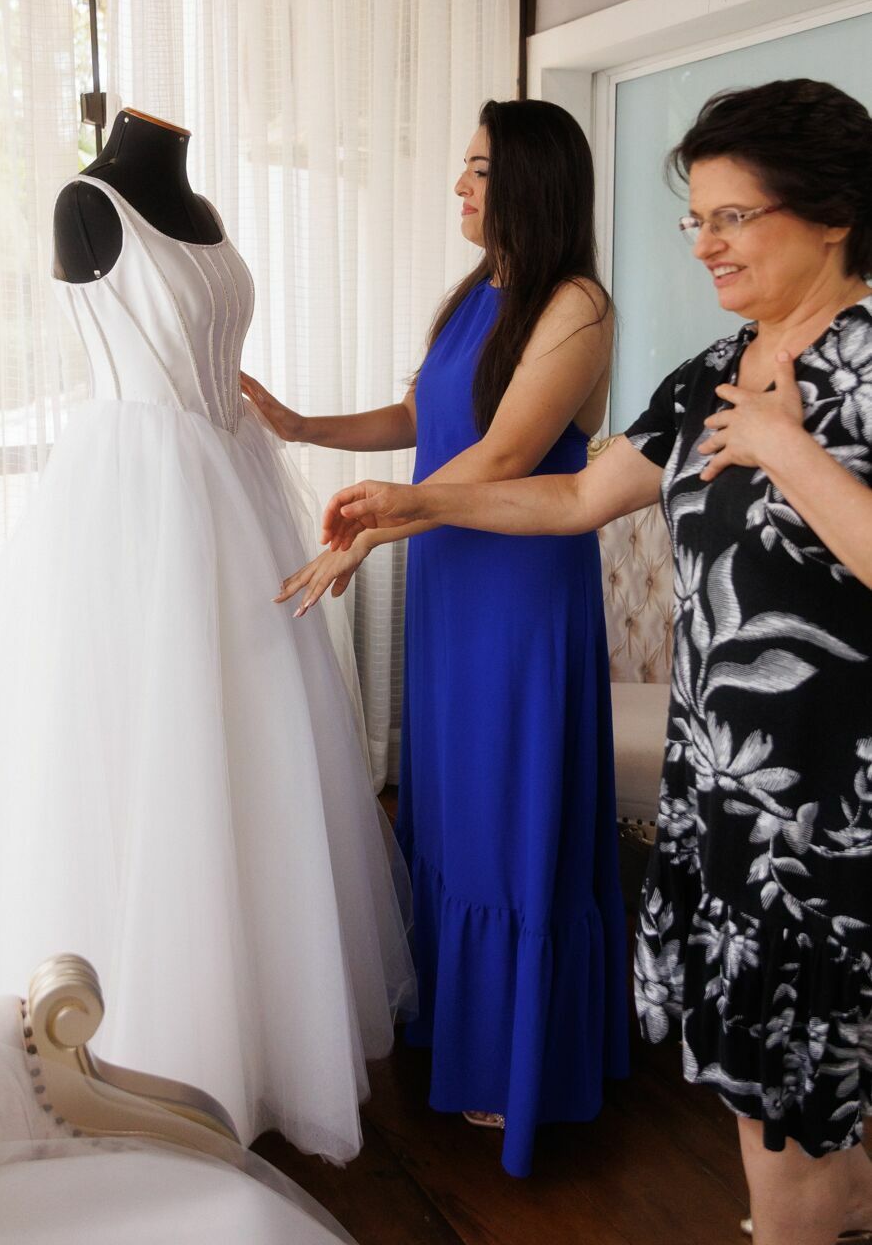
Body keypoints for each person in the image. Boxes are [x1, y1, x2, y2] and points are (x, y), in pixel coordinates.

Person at [315, 79, 872, 1245]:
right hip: (730, 794)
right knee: (792, 1103)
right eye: (696, 218)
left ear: (832, 215)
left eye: (733, 217)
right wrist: (411, 504)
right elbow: (573, 496)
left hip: (840, 815)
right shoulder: (714, 370)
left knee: (786, 1122)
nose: (704, 244)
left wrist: (785, 447)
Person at [0, 110, 416, 1166]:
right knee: (134, 747)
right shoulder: (88, 204)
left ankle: (257, 1028)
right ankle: (134, 1038)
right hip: (137, 500)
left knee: (249, 752)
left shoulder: (203, 208)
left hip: (234, 487)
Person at [244, 99, 629, 1178]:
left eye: (478, 169)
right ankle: (456, 1023)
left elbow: (503, 455)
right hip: (453, 573)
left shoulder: (577, 304)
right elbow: (423, 421)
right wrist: (301, 426)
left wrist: (376, 528)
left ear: (533, 181)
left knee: (508, 807)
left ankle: (520, 1057)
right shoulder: (474, 295)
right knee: (451, 801)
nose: (459, 187)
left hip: (520, 583)